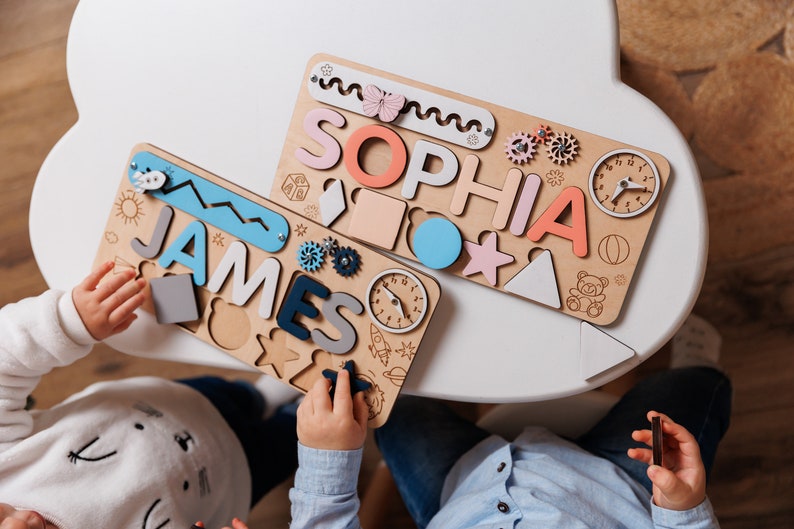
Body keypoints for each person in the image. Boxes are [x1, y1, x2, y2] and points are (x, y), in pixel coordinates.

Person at [289, 316, 732, 528]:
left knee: (385, 404)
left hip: (461, 489)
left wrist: (326, 459)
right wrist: (683, 510)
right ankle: (694, 359)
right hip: (623, 485)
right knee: (696, 387)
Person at [0, 261, 299, 528]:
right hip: (237, 480)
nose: (19, 523)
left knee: (242, 396)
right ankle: (299, 408)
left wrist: (68, 322)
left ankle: (265, 396)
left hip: (180, 404)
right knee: (297, 437)